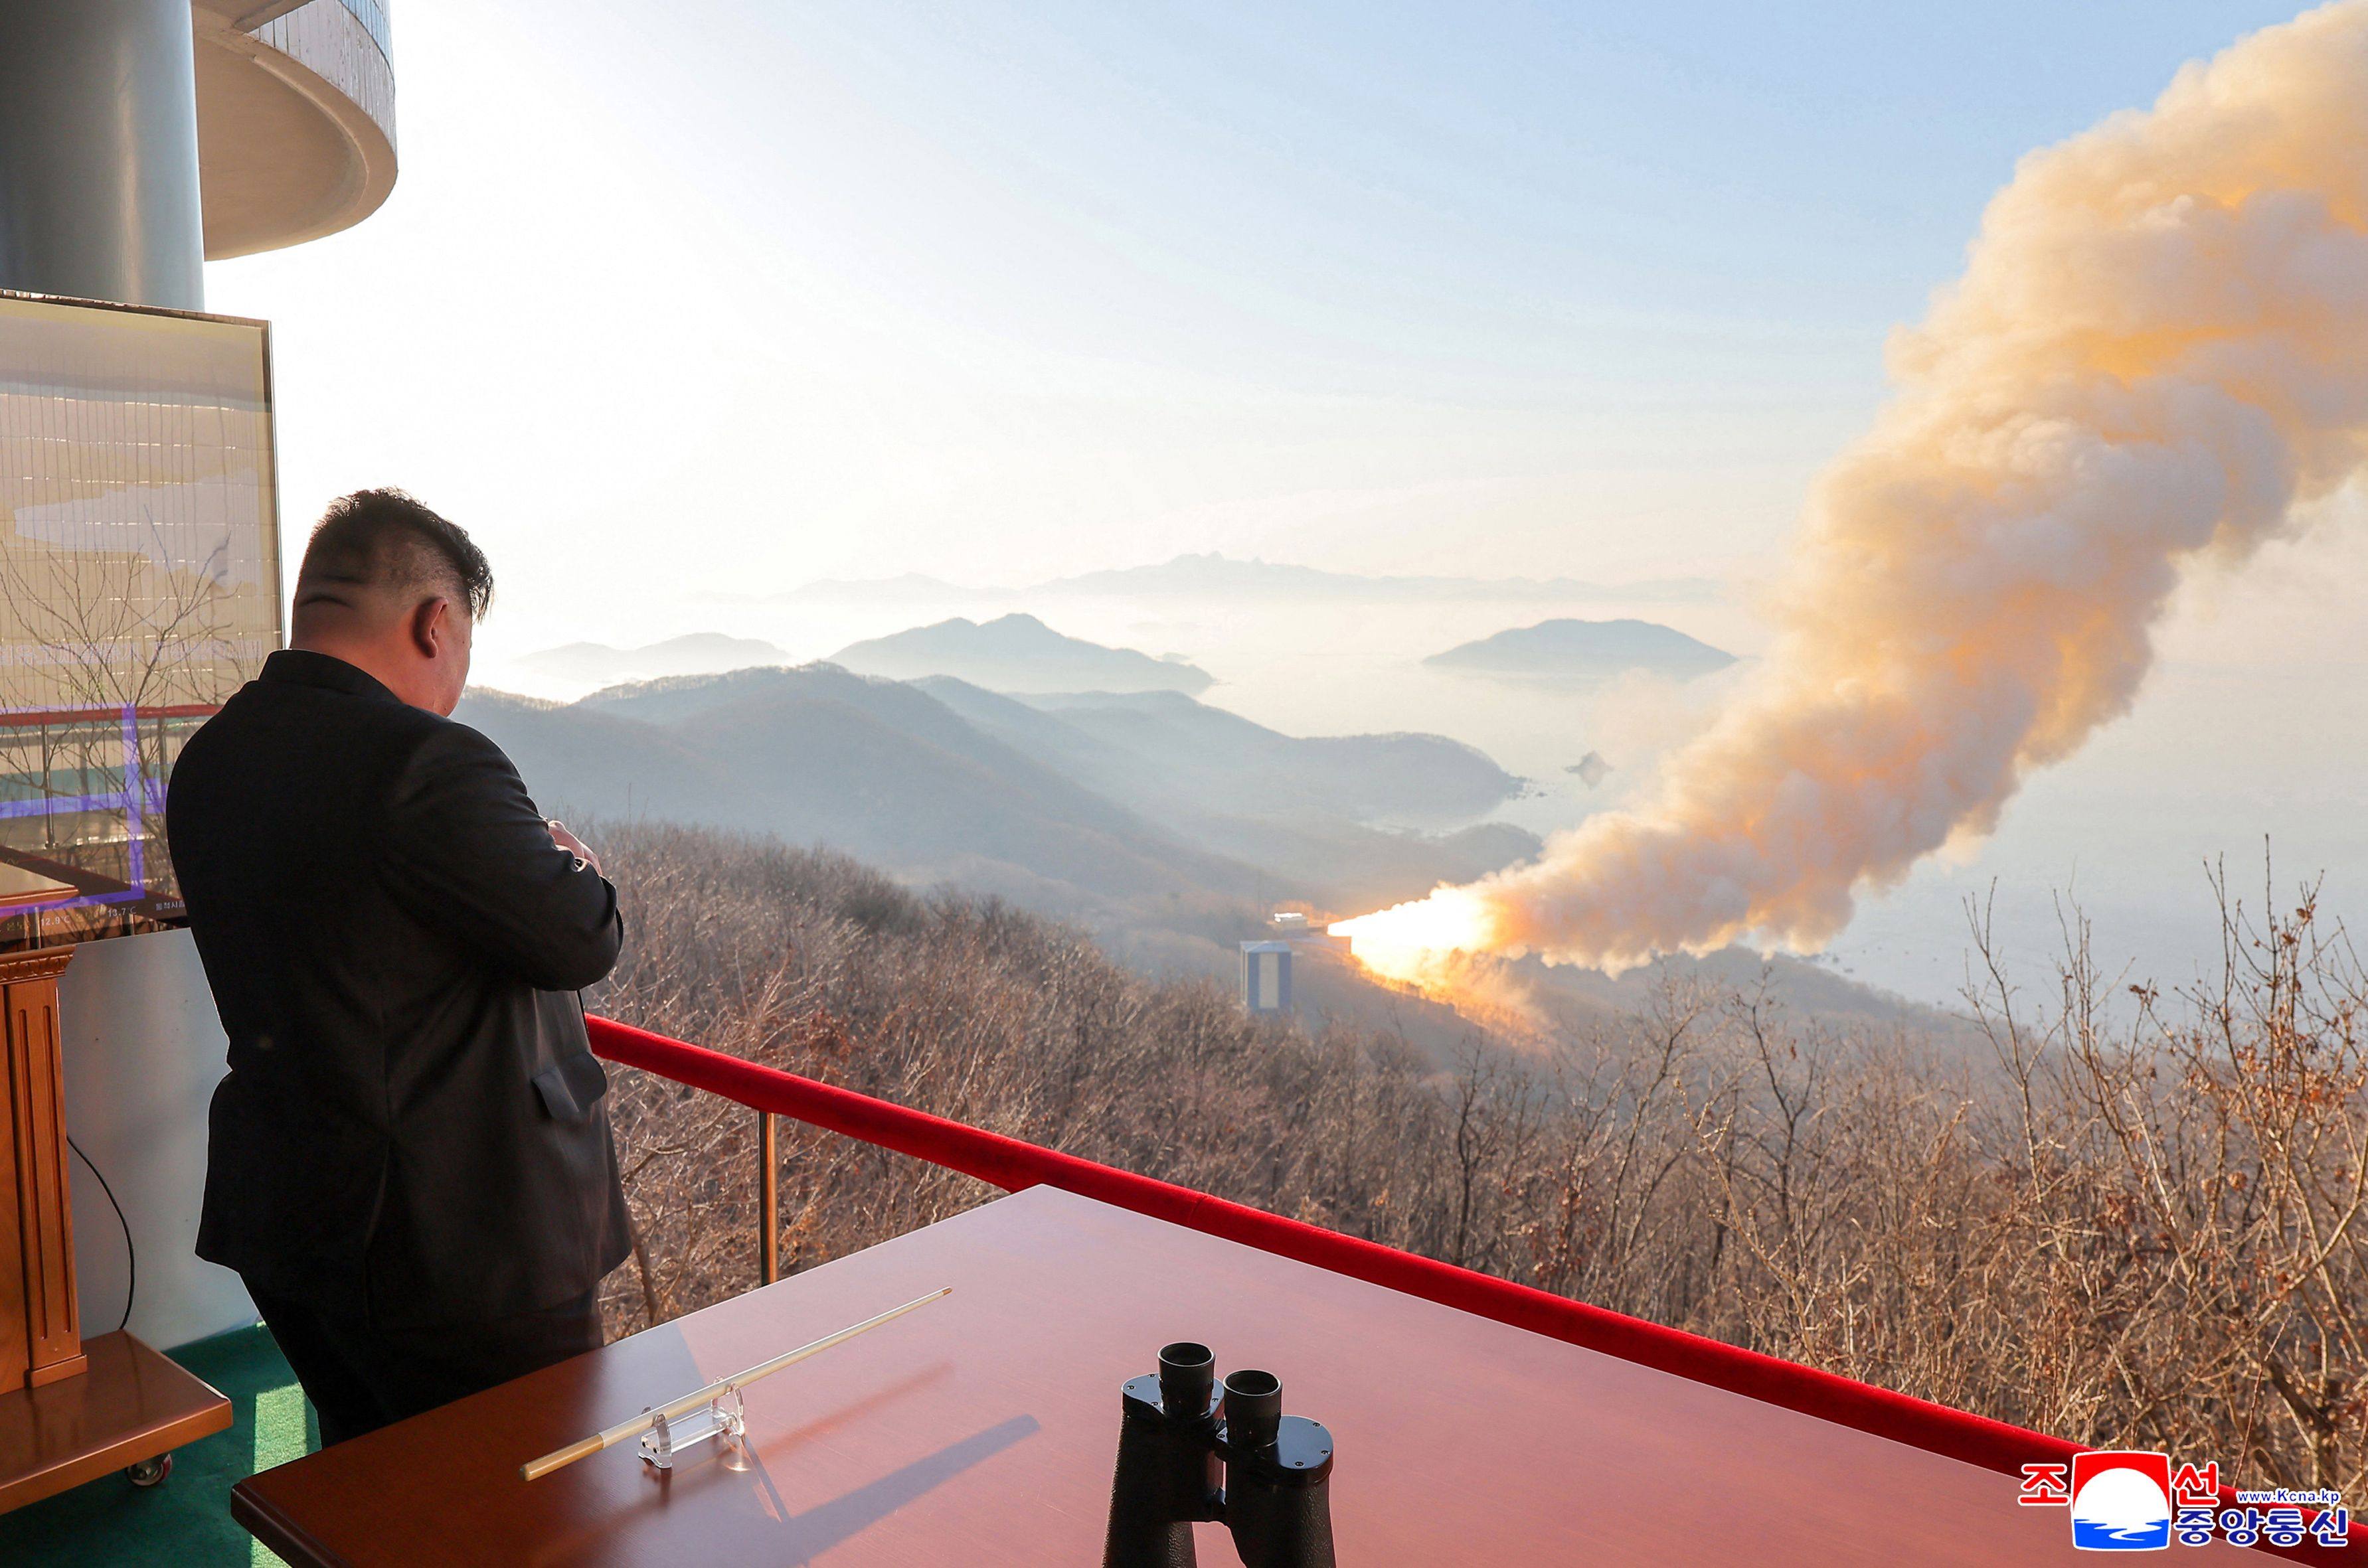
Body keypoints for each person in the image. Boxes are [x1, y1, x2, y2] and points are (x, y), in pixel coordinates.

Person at [166, 488, 631, 1445]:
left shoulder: (212, 760)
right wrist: (572, 858)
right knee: (526, 1501)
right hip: (464, 1238)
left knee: (370, 1479)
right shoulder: (429, 764)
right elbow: (581, 936)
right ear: (436, 621)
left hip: (298, 1213)